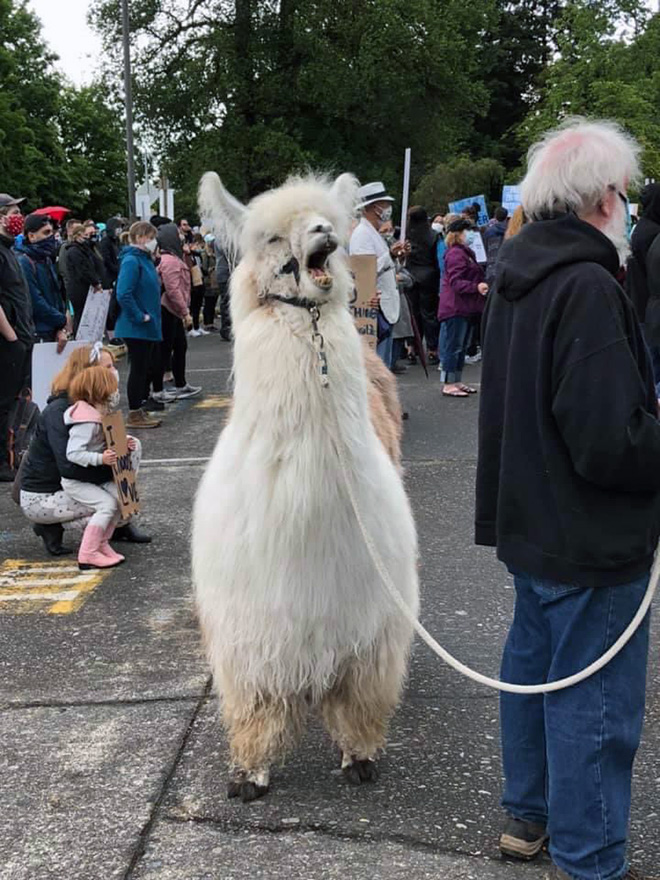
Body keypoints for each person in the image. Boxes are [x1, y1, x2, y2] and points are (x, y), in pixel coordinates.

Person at [476, 118, 659, 880]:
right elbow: (609, 441)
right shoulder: (586, 285)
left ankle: (531, 816)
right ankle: (591, 861)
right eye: (624, 195)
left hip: (532, 520)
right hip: (586, 534)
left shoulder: (520, 272)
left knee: (534, 672)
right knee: (593, 706)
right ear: (604, 198)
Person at [20, 344, 150, 554]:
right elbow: (69, 466)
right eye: (106, 368)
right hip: (46, 494)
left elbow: (114, 445)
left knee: (130, 450)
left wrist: (121, 479)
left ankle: (120, 525)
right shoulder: (61, 410)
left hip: (78, 483)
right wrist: (116, 483)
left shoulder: (97, 400)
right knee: (112, 504)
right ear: (87, 373)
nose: (113, 373)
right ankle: (51, 526)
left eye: (113, 366)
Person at [61, 364, 132, 570]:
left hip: (89, 477)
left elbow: (105, 439)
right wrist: (101, 459)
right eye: (110, 387)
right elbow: (73, 453)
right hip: (78, 480)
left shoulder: (96, 414)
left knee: (119, 501)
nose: (114, 392)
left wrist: (123, 441)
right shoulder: (86, 421)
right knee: (106, 505)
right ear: (99, 390)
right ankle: (88, 552)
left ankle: (101, 543)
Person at [349, 181, 405, 368]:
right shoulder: (362, 234)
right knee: (377, 367)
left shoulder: (373, 233)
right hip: (374, 308)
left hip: (384, 306)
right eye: (385, 204)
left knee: (383, 366)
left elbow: (385, 268)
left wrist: (398, 257)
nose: (388, 209)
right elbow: (363, 272)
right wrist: (389, 255)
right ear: (374, 208)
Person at [114, 221, 163, 429]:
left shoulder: (143, 260)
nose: (154, 242)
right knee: (138, 369)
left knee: (144, 368)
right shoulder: (132, 261)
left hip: (145, 325)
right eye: (151, 237)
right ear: (141, 238)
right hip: (137, 326)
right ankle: (134, 412)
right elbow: (123, 293)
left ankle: (139, 408)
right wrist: (139, 316)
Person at [0, 193, 34, 481]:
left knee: (14, 402)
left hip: (20, 338)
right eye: (13, 211)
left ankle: (9, 457)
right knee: (2, 402)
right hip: (7, 342)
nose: (17, 217)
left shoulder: (9, 250)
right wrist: (12, 338)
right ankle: (1, 462)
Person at [437, 218, 487, 397]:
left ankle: (456, 380)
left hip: (464, 306)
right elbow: (456, 282)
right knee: (454, 346)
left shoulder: (464, 252)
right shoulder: (456, 254)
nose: (472, 234)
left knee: (460, 346)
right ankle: (449, 382)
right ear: (458, 234)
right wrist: (476, 287)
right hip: (455, 307)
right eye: (468, 230)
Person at [154, 223, 201, 401]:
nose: (181, 237)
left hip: (172, 310)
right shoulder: (170, 261)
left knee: (179, 347)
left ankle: (180, 384)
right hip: (168, 309)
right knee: (166, 350)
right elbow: (173, 289)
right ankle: (160, 389)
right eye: (178, 234)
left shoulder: (174, 258)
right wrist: (185, 312)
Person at [15, 213, 69, 347]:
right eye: (46, 233)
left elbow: (56, 292)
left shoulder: (45, 259)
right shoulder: (25, 261)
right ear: (31, 236)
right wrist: (61, 319)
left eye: (52, 232)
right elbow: (35, 300)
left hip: (52, 328)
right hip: (38, 331)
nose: (50, 237)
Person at [406, 207, 441, 365]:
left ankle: (412, 347)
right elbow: (437, 259)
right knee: (429, 314)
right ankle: (432, 349)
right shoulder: (433, 236)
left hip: (410, 275)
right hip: (429, 276)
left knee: (413, 314)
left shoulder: (405, 235)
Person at [66, 223, 104, 333]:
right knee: (80, 315)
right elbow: (83, 270)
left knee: (85, 315)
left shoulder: (82, 249)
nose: (86, 237)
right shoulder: (74, 251)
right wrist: (95, 282)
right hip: (79, 288)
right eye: (84, 234)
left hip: (84, 286)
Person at [483, 206, 508, 286]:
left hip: (492, 265)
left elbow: (485, 249)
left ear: (495, 216)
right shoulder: (511, 230)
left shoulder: (489, 231)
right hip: (506, 264)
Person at [214, 239, 232, 341]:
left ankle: (227, 328)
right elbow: (230, 255)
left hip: (224, 272)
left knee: (226, 300)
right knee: (226, 300)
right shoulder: (222, 240)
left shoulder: (219, 240)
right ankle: (226, 329)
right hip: (225, 272)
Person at [201, 233, 220, 332]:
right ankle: (207, 323)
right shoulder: (205, 254)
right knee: (208, 303)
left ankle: (211, 323)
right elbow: (204, 268)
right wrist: (211, 269)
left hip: (215, 281)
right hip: (208, 281)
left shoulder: (215, 253)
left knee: (213, 303)